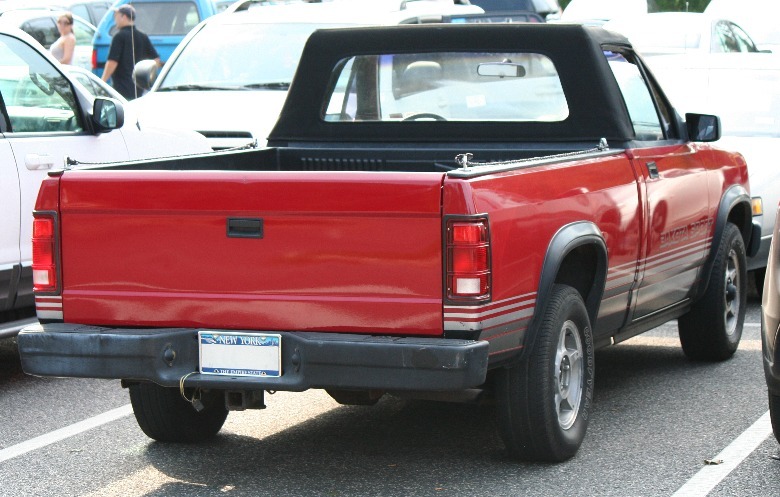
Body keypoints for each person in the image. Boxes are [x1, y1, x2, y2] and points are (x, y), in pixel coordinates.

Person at [101, 4, 160, 100]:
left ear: (123, 17)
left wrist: (102, 82)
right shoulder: (143, 36)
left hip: (121, 90)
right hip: (140, 89)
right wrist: (147, 77)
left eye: (116, 16)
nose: (115, 20)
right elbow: (156, 60)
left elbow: (112, 62)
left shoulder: (118, 37)